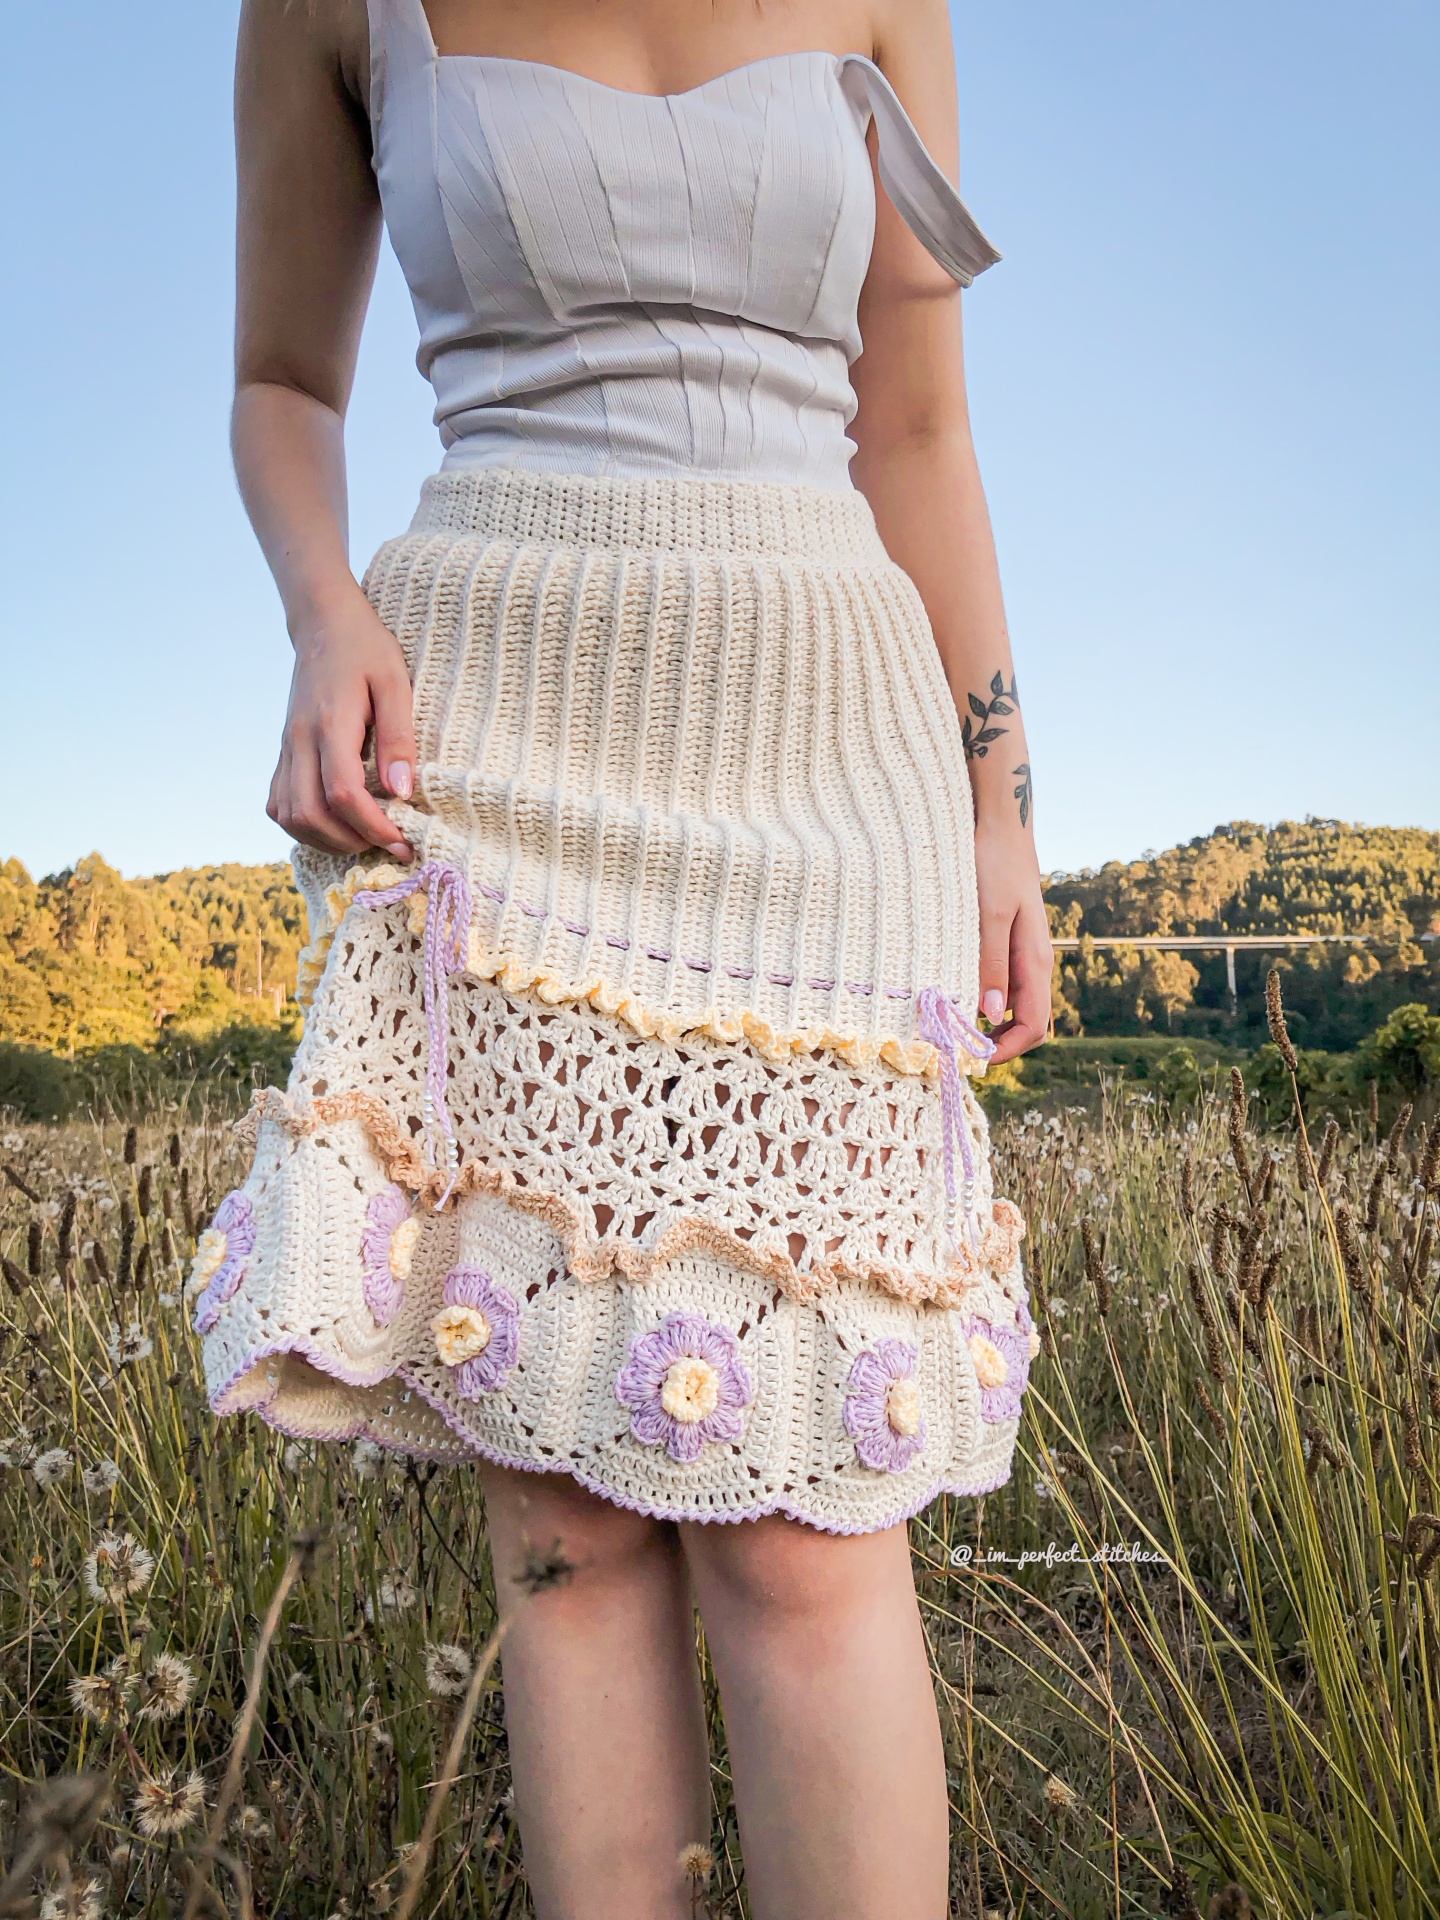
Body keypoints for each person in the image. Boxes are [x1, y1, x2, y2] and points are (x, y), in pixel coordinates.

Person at [201, 0, 1052, 1911]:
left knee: (810, 1528)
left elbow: (920, 425)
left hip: (827, 749)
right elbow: (279, 380)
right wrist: (322, 612)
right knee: (567, 1521)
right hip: (496, 727)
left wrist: (1002, 809)